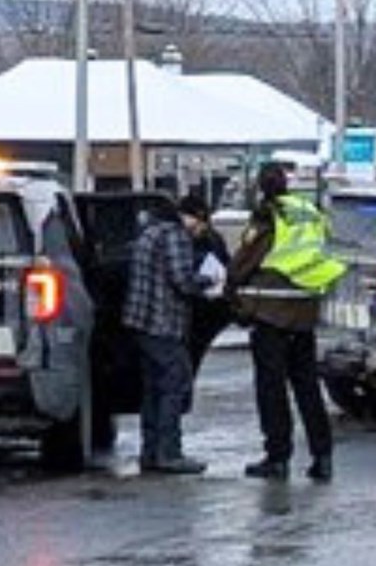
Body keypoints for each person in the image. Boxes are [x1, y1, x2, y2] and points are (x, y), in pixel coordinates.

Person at [227, 164, 347, 482]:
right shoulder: (308, 211)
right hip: (304, 311)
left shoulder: (269, 214)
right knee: (307, 387)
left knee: (272, 389)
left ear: (261, 187)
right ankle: (323, 457)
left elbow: (247, 258)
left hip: (272, 313)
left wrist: (230, 286)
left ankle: (277, 457)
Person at [124, 204, 211, 475]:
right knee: (175, 382)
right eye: (200, 226)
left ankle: (150, 452)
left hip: (140, 323)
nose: (198, 232)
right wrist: (208, 280)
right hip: (162, 323)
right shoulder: (175, 236)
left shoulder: (149, 232)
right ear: (194, 218)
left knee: (152, 388)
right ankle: (169, 453)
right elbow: (182, 279)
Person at [177, 194, 233, 375]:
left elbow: (225, 266)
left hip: (204, 312)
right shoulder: (177, 240)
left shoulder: (211, 238)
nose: (202, 227)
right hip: (192, 311)